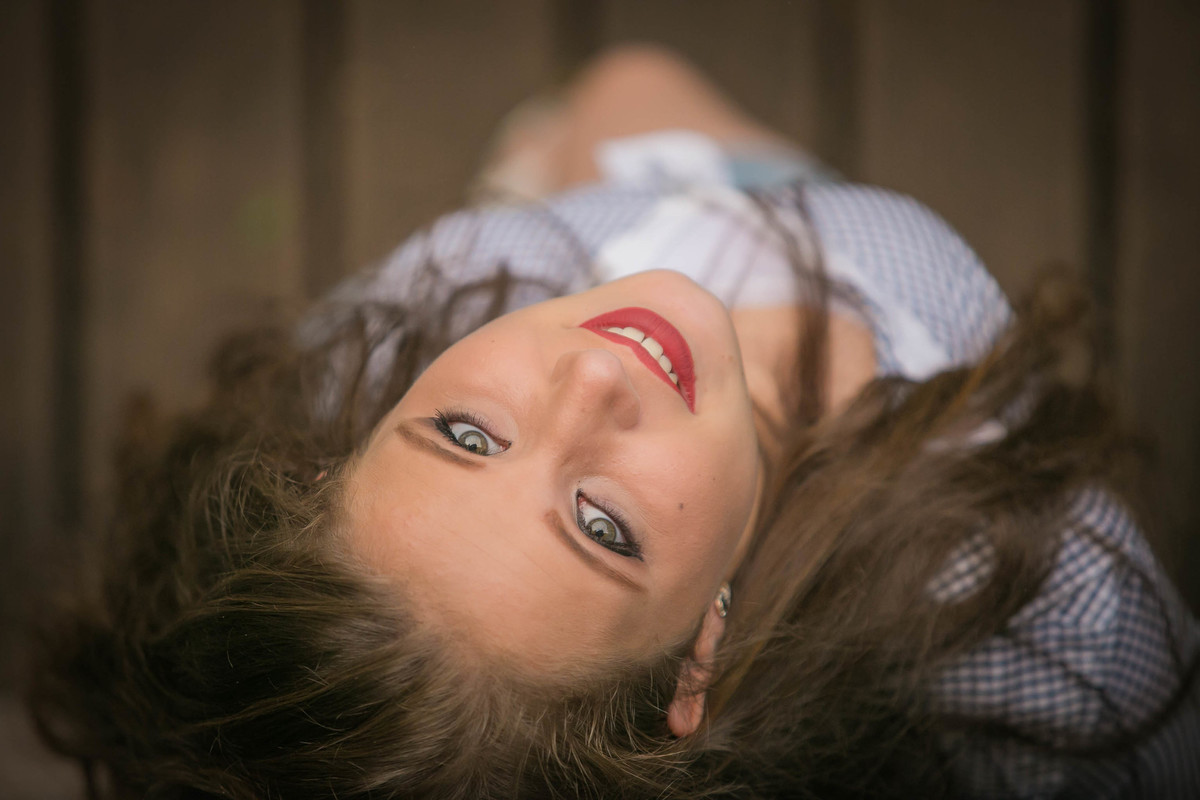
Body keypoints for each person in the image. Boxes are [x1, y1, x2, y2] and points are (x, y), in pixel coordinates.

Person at [29, 45, 1200, 799]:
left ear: (345, 443)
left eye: (467, 437)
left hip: (653, 208)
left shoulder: (457, 282)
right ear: (697, 661)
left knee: (618, 88)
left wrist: (585, 173)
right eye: (602, 524)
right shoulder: (1057, 617)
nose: (593, 377)